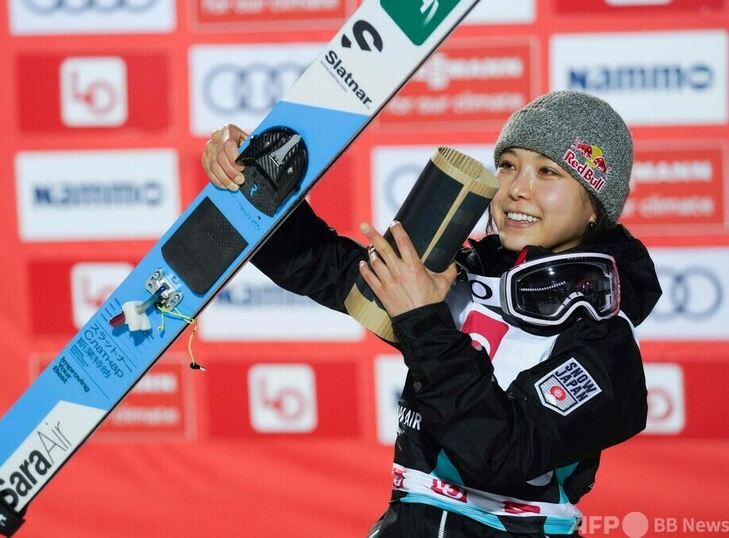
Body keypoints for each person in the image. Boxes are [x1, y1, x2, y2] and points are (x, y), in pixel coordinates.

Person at [201, 91, 662, 537]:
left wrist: (423, 319)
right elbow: (319, 266)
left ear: (595, 207)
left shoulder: (606, 340)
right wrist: (251, 181)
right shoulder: (463, 275)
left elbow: (503, 452)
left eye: (547, 172)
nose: (517, 189)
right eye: (507, 165)